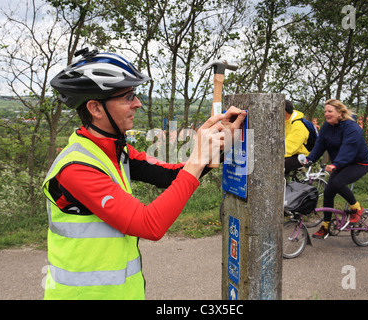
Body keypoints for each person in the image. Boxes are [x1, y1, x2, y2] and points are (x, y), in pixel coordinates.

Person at [42, 48, 246, 300]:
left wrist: (216, 148)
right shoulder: (77, 168)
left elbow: (171, 175)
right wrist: (198, 157)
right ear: (95, 108)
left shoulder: (116, 150)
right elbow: (149, 224)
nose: (137, 103)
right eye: (128, 96)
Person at [304, 99, 368, 239]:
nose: (327, 114)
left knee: (338, 183)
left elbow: (348, 149)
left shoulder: (352, 128)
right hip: (341, 164)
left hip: (358, 163)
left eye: (330, 111)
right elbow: (319, 145)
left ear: (340, 113)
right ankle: (326, 226)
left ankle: (356, 208)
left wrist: (335, 164)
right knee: (328, 192)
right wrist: (308, 160)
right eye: (325, 112)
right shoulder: (327, 127)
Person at [284, 100, 310, 174]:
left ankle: (282, 185)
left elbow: (290, 147)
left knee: (279, 166)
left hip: (303, 156)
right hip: (294, 154)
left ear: (284, 112)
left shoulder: (298, 126)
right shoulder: (287, 122)